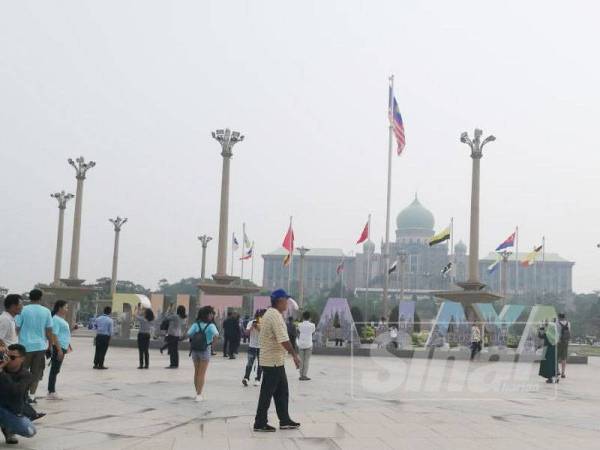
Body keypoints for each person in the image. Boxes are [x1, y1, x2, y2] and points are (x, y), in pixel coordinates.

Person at [253, 289, 301, 433]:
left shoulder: (270, 313)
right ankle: (260, 423)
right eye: (286, 300)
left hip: (275, 361)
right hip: (272, 361)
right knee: (267, 393)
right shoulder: (275, 316)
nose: (287, 303)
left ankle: (285, 420)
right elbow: (284, 339)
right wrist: (294, 355)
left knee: (282, 392)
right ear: (280, 301)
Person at [15, 289, 54, 402]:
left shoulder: (23, 310)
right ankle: (32, 396)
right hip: (40, 347)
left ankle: (22, 395)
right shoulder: (46, 311)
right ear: (40, 298)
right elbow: (49, 331)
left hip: (24, 347)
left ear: (29, 297)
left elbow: (17, 328)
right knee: (36, 373)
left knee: (22, 371)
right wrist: (50, 346)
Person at [0, 344, 37, 445]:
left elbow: (15, 392)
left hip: (11, 410)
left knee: (30, 431)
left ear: (22, 359)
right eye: (6, 356)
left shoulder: (26, 376)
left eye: (12, 357)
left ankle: (7, 428)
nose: (8, 360)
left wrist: (1, 373)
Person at [187, 306, 219, 402]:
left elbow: (189, 334)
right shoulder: (211, 325)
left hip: (195, 350)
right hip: (205, 350)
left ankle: (197, 392)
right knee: (202, 373)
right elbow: (217, 336)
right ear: (207, 314)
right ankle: (199, 394)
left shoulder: (196, 324)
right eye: (211, 313)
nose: (212, 315)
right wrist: (212, 346)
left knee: (196, 372)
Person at [47, 300, 72, 400]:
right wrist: (59, 349)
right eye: (65, 307)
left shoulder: (60, 319)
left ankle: (52, 390)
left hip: (63, 347)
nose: (67, 309)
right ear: (60, 308)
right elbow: (54, 335)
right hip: (59, 347)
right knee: (54, 369)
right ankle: (51, 391)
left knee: (56, 369)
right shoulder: (56, 319)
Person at [243, 309, 265, 387]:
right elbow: (246, 333)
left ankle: (258, 379)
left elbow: (265, 334)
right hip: (252, 346)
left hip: (261, 347)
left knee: (260, 364)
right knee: (249, 363)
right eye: (258, 315)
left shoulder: (265, 323)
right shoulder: (251, 322)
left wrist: (258, 328)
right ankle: (246, 378)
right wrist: (252, 327)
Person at [297, 311, 316, 381]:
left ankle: (300, 375)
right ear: (309, 317)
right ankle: (304, 375)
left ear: (303, 317)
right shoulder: (312, 325)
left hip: (301, 344)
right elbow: (313, 332)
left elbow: (298, 332)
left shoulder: (299, 325)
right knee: (306, 361)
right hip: (309, 344)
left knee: (301, 360)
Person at [135, 305, 154, 369]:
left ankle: (141, 364)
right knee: (146, 350)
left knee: (141, 350)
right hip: (147, 335)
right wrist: (142, 311)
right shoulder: (151, 320)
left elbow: (136, 315)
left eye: (144, 311)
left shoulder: (142, 319)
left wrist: (137, 309)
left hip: (141, 335)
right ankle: (147, 364)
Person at [556, 313, 570, 378]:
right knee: (564, 358)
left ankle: (557, 371)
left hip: (559, 342)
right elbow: (569, 332)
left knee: (556, 357)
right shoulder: (568, 323)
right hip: (566, 342)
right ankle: (563, 373)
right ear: (564, 317)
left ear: (559, 317)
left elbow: (557, 333)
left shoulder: (557, 323)